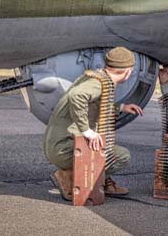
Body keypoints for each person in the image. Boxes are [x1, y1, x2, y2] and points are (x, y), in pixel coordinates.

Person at [44, 47, 143, 201]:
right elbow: (77, 96)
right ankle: (69, 176)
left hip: (60, 144)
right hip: (64, 148)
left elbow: (94, 104)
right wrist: (87, 131)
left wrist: (121, 107)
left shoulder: (96, 77)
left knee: (105, 148)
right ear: (128, 71)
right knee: (121, 156)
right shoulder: (99, 83)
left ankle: (99, 181)